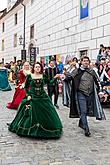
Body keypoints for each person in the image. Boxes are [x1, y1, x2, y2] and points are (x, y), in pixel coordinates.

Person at [8, 62, 62, 138]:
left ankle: (46, 129)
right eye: (36, 67)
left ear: (41, 68)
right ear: (33, 68)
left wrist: (55, 77)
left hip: (42, 96)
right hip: (33, 96)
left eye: (39, 67)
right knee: (28, 111)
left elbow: (49, 83)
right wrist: (28, 95)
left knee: (46, 112)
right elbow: (26, 87)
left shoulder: (43, 76)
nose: (37, 68)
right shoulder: (29, 76)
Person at [64, 56, 106, 137]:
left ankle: (81, 123)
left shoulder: (92, 71)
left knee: (86, 111)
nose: (86, 62)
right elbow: (69, 78)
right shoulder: (77, 71)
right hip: (81, 93)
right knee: (83, 111)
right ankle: (86, 129)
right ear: (81, 62)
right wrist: (64, 77)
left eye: (87, 61)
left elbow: (97, 81)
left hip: (90, 94)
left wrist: (100, 91)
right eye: (84, 61)